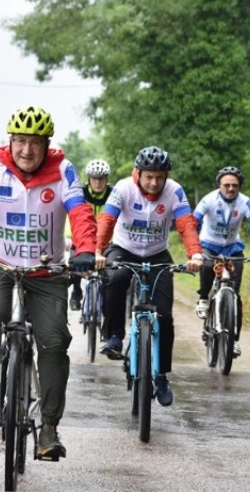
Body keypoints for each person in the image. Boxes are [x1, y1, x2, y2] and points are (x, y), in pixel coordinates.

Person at [0, 105, 97, 459]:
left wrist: (86, 250)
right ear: (10, 141)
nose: (26, 150)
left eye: (34, 142)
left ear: (46, 144)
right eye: (19, 141)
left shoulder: (63, 170)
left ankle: (48, 428)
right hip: (0, 264)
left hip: (47, 273)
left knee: (54, 343)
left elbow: (80, 212)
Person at [95, 146, 203, 407]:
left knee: (164, 316)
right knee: (116, 277)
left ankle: (162, 375)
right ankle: (113, 336)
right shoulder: (122, 189)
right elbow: (106, 220)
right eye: (149, 177)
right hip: (124, 248)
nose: (154, 182)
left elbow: (186, 224)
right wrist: (98, 250)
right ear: (138, 174)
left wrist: (195, 255)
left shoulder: (174, 191)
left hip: (157, 253)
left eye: (159, 177)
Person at [193, 166, 250, 358]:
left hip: (233, 247)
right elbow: (193, 222)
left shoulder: (245, 202)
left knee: (235, 295)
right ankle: (203, 297)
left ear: (240, 187)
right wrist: (193, 248)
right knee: (208, 265)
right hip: (209, 244)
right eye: (226, 185)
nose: (230, 189)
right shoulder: (209, 199)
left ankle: (234, 340)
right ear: (219, 185)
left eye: (234, 185)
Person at [67, 158, 114, 311]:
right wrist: (69, 237)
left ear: (107, 179)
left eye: (102, 178)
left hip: (107, 239)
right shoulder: (80, 192)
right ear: (89, 178)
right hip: (82, 236)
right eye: (95, 178)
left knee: (112, 270)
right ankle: (76, 291)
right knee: (74, 263)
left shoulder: (114, 194)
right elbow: (72, 215)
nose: (98, 182)